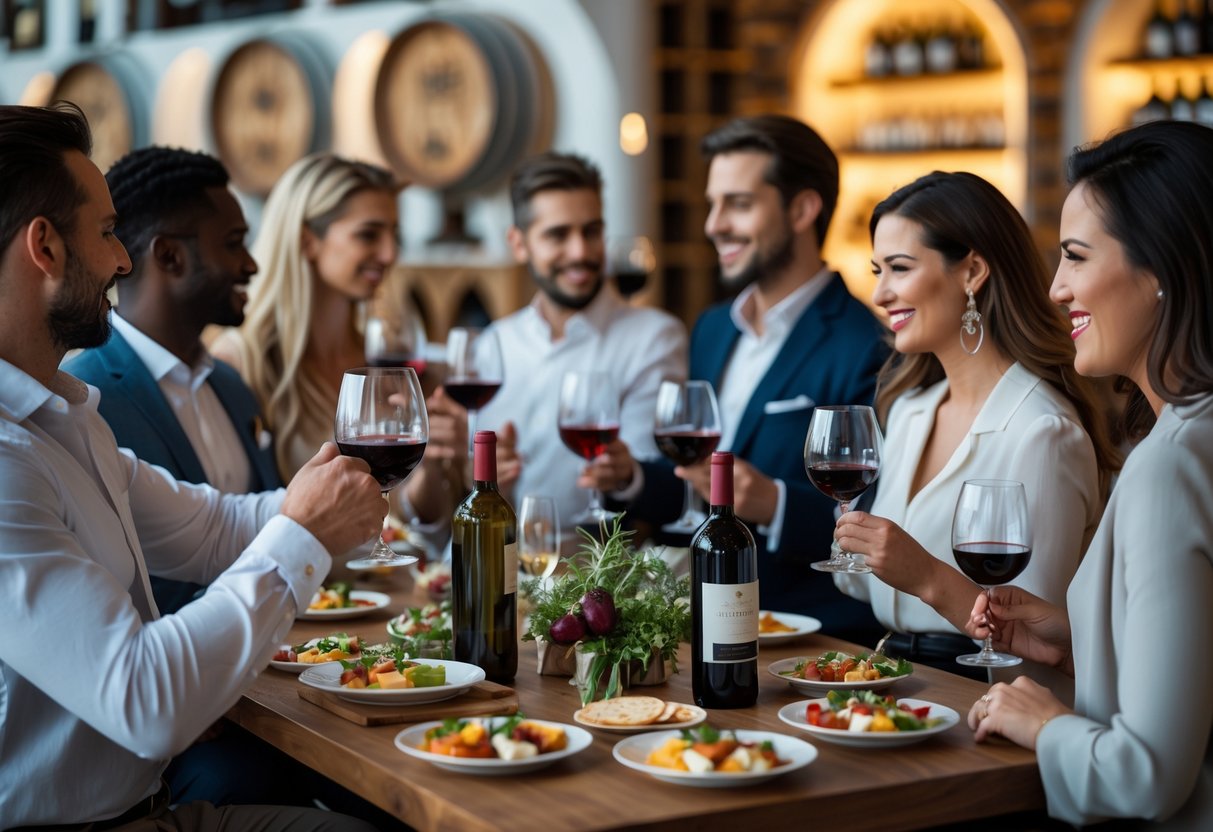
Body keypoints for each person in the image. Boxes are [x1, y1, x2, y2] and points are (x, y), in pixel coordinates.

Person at [0, 103, 385, 829]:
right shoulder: (6, 462)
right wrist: (304, 532)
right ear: (45, 249)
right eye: (109, 232)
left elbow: (214, 528)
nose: (122, 259)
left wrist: (326, 493)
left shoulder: (63, 419)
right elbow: (144, 702)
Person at [965, 121, 1213, 827]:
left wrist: (1041, 721)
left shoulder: (1168, 465)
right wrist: (1081, 637)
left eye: (1074, 257)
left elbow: (1147, 777)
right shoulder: (1187, 436)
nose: (1054, 290)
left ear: (1164, 268)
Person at [601, 115, 888, 644]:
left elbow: (880, 520)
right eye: (713, 204)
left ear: (802, 209)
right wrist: (633, 480)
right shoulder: (713, 328)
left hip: (813, 641)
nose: (713, 224)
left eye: (737, 203)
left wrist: (774, 502)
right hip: (702, 626)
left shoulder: (868, 345)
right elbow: (700, 492)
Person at [830, 171, 1119, 684]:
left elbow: (1038, 647)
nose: (879, 294)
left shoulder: (1042, 432)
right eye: (877, 270)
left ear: (972, 272)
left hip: (977, 694)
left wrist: (924, 575)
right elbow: (872, 586)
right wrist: (856, 547)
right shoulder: (911, 409)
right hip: (885, 678)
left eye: (899, 268)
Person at [65, 146, 279, 615]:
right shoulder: (81, 397)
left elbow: (249, 526)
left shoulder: (230, 386)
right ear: (170, 255)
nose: (251, 264)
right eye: (233, 242)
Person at [211, 153, 471, 534]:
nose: (390, 253)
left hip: (388, 590)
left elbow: (411, 520)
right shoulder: (240, 361)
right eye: (368, 234)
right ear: (307, 241)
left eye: (394, 235)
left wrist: (431, 465)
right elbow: (228, 523)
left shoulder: (378, 359)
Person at [475, 150, 687, 531]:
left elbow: (663, 485)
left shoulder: (654, 337)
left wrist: (625, 474)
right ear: (519, 243)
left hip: (600, 575)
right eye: (558, 234)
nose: (581, 251)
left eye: (591, 231)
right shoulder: (494, 344)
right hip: (502, 565)